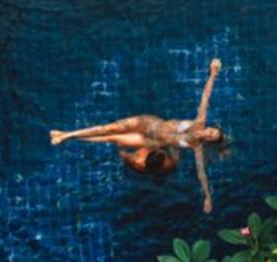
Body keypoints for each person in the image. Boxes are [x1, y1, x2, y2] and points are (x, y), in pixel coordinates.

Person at [52, 58, 225, 212]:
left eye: (211, 136)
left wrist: (207, 197)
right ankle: (65, 135)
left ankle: (66, 137)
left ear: (208, 141)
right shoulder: (200, 120)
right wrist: (213, 74)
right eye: (212, 130)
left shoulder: (195, 147)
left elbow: (201, 174)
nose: (209, 132)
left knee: (110, 138)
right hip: (148, 122)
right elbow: (205, 97)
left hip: (150, 141)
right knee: (107, 128)